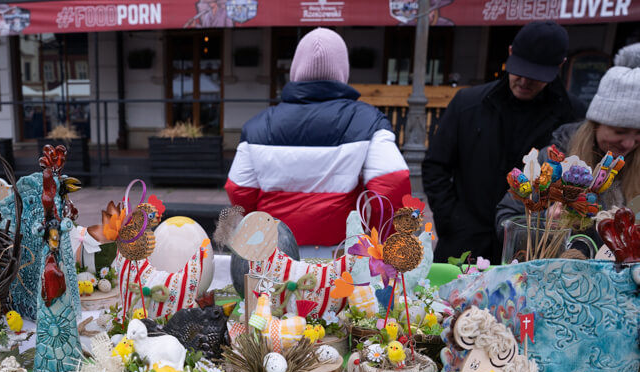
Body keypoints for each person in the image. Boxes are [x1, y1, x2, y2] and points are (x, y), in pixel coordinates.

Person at [225, 28, 410, 253]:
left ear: (295, 70)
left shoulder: (257, 126)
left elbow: (239, 190)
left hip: (274, 251)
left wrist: (257, 232)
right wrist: (378, 247)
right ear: (343, 71)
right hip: (342, 255)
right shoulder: (369, 121)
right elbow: (392, 188)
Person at [422, 21, 586, 263]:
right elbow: (435, 166)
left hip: (534, 247)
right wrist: (450, 220)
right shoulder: (467, 103)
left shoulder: (573, 115)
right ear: (510, 53)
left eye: (536, 76)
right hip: (465, 240)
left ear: (559, 66)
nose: (524, 81)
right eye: (519, 70)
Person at [495, 43, 640, 237]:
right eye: (619, 132)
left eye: (639, 135)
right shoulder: (553, 162)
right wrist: (545, 222)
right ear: (596, 124)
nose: (629, 144)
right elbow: (505, 219)